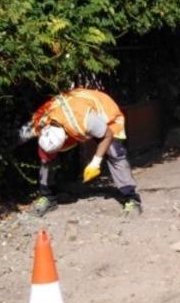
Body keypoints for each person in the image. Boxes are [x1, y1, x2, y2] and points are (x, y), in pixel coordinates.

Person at [28, 88, 143, 217]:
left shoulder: (83, 119)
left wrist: (95, 162)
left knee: (114, 151)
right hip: (72, 117)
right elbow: (23, 135)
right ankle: (48, 196)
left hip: (102, 112)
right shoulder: (39, 122)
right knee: (46, 157)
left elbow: (107, 135)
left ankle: (131, 197)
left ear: (66, 136)